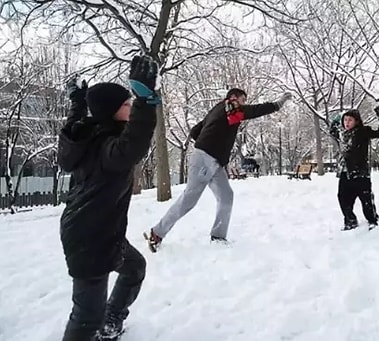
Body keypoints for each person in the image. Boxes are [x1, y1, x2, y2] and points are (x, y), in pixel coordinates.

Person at [58, 55, 160, 341]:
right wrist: (145, 99)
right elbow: (133, 145)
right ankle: (99, 322)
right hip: (90, 240)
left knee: (134, 268)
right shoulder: (108, 148)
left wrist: (78, 102)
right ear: (113, 112)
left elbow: (76, 121)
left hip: (101, 233)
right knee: (86, 317)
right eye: (126, 105)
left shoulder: (87, 134)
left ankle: (112, 318)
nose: (130, 107)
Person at [145, 89, 292, 251]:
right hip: (205, 159)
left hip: (213, 161)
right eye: (243, 99)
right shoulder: (230, 106)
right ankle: (157, 233)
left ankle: (218, 237)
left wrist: (212, 140)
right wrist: (278, 104)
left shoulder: (218, 109)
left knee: (226, 196)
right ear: (233, 97)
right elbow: (253, 110)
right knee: (189, 201)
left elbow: (195, 131)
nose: (243, 103)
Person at [329, 107, 379, 230]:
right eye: (345, 120)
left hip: (361, 172)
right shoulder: (342, 134)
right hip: (346, 173)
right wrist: (335, 120)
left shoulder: (363, 131)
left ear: (356, 121)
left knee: (365, 199)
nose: (347, 123)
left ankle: (372, 219)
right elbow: (332, 131)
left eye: (350, 120)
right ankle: (350, 221)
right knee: (343, 198)